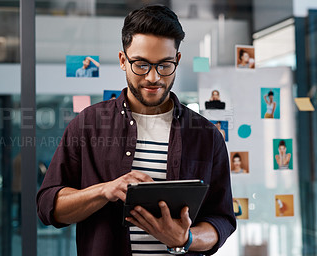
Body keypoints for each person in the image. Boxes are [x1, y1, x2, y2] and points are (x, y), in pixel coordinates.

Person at [37, 5, 236, 256]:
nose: (153, 77)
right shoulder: (89, 124)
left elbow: (222, 220)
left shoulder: (206, 135)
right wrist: (104, 190)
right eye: (141, 65)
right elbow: (49, 207)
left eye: (165, 65)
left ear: (178, 60)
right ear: (123, 60)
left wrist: (186, 238)